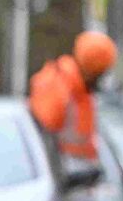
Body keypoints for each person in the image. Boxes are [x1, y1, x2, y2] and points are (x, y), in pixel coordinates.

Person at [28, 31, 117, 161]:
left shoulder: (80, 90)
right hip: (63, 171)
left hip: (80, 172)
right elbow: (44, 135)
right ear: (93, 71)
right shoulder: (61, 89)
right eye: (101, 73)